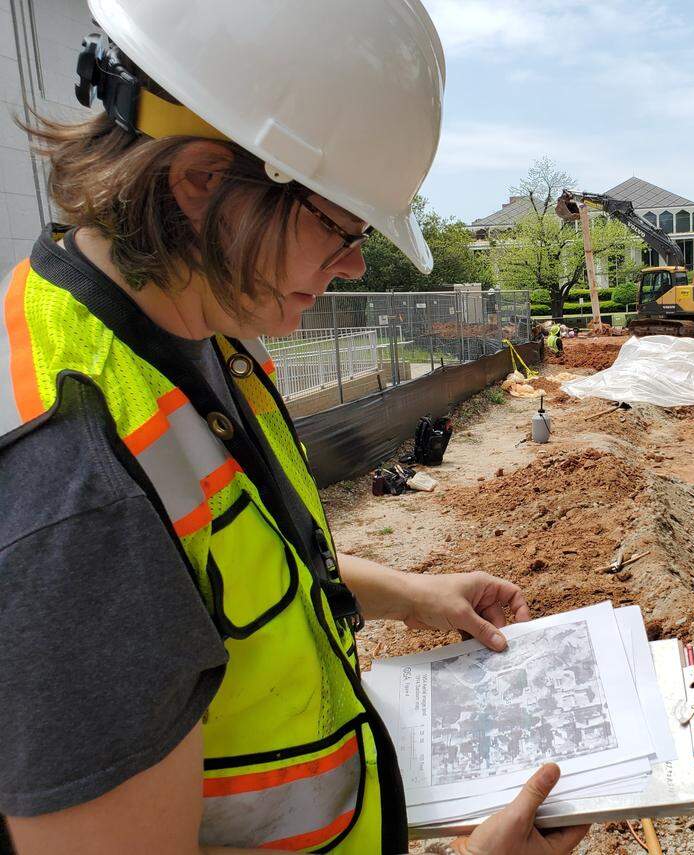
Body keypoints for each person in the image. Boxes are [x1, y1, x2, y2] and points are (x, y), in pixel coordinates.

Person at [0, 2, 588, 854]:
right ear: (202, 180)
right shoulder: (79, 503)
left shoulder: (191, 330)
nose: (353, 262)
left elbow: (228, 567)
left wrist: (410, 592)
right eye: (340, 227)